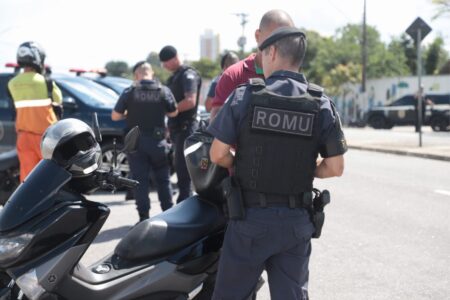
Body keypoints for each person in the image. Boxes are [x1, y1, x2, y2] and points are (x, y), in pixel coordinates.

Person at [208, 27, 347, 300]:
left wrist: (240, 162)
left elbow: (216, 154)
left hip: (249, 219)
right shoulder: (320, 103)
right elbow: (335, 168)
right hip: (296, 223)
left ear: (271, 52)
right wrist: (308, 170)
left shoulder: (244, 96)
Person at [112, 61, 177, 222]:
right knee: (163, 180)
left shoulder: (129, 92)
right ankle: (168, 217)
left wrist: (129, 113)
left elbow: (115, 116)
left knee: (140, 182)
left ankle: (144, 218)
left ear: (136, 75)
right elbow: (174, 112)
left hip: (136, 144)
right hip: (158, 143)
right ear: (152, 74)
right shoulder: (163, 90)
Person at [209, 9, 295, 120]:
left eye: (286, 40)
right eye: (274, 38)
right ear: (257, 36)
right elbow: (216, 123)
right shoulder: (234, 75)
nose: (279, 46)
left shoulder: (293, 78)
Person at [8, 41, 62, 182]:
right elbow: (58, 99)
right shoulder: (45, 81)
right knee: (50, 174)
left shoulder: (12, 83)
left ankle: (28, 203)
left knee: (28, 177)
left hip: (24, 136)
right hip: (46, 137)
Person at [159, 45, 202, 203]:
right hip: (177, 129)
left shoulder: (188, 75)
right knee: (180, 170)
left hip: (186, 128)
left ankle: (186, 208)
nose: (164, 66)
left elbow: (190, 101)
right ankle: (185, 205)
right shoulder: (175, 76)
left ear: (175, 58)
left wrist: (171, 111)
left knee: (184, 173)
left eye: (166, 62)